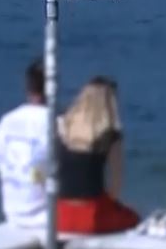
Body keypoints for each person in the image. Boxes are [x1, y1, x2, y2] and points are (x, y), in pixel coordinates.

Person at [56, 77, 141, 234]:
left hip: (60, 215)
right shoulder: (111, 135)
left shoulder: (64, 128)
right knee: (134, 218)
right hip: (91, 216)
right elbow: (115, 190)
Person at [0, 61, 50, 228]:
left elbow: (1, 168)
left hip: (12, 212)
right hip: (47, 216)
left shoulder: (5, 122)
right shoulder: (57, 123)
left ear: (27, 88)